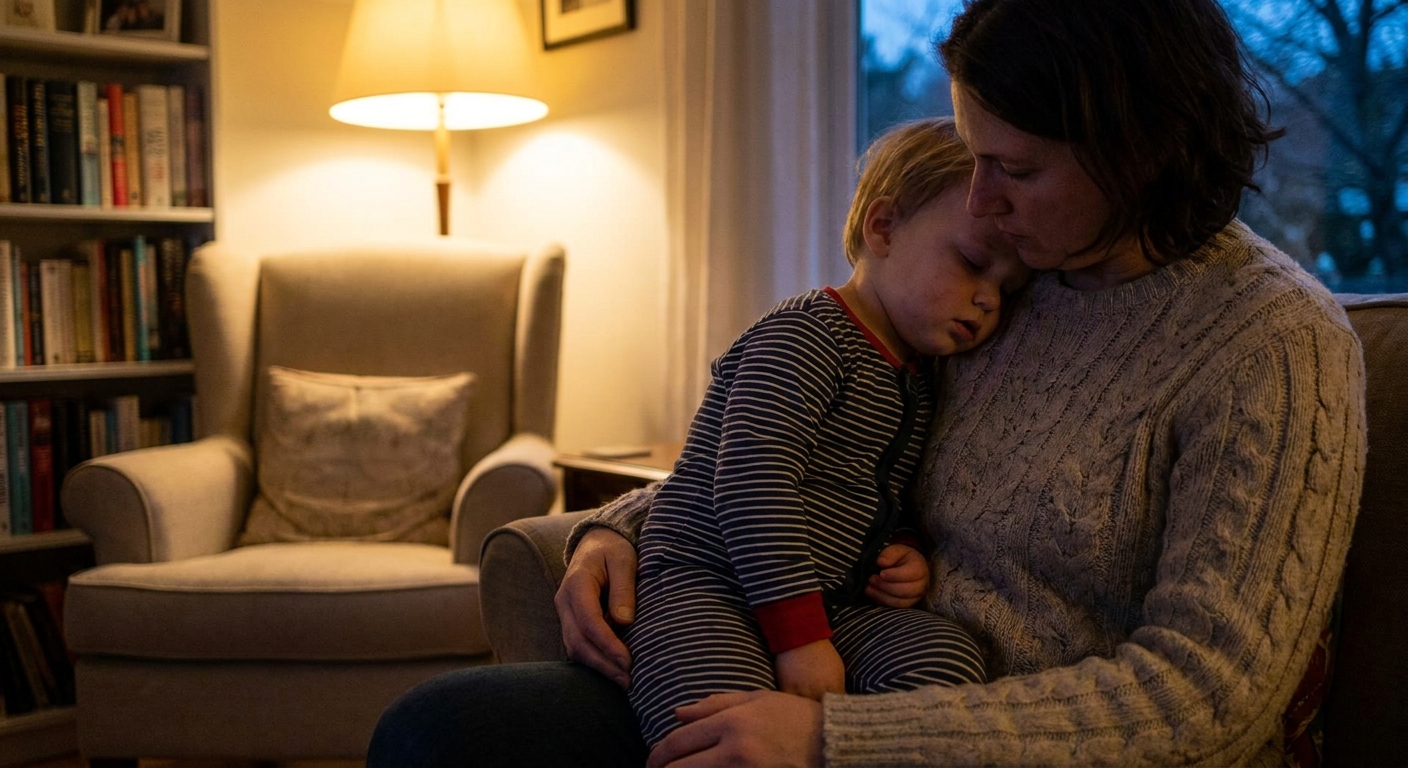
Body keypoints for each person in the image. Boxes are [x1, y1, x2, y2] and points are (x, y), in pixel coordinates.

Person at [368, 0, 1366, 765]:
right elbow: (806, 450)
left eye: (1012, 169)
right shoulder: (1011, 284)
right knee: (440, 733)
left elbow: (1206, 697)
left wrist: (827, 743)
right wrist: (617, 532)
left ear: (1136, 152)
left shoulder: (1269, 345)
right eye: (972, 159)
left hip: (972, 733)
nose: (980, 205)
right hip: (829, 659)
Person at [626, 117, 1023, 747]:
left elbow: (875, 489)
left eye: (1007, 287)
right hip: (708, 585)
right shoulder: (805, 335)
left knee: (943, 653)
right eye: (973, 264)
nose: (988, 300)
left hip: (832, 603)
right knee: (718, 724)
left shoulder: (920, 377)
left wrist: (906, 551)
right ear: (883, 227)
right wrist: (801, 638)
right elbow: (751, 486)